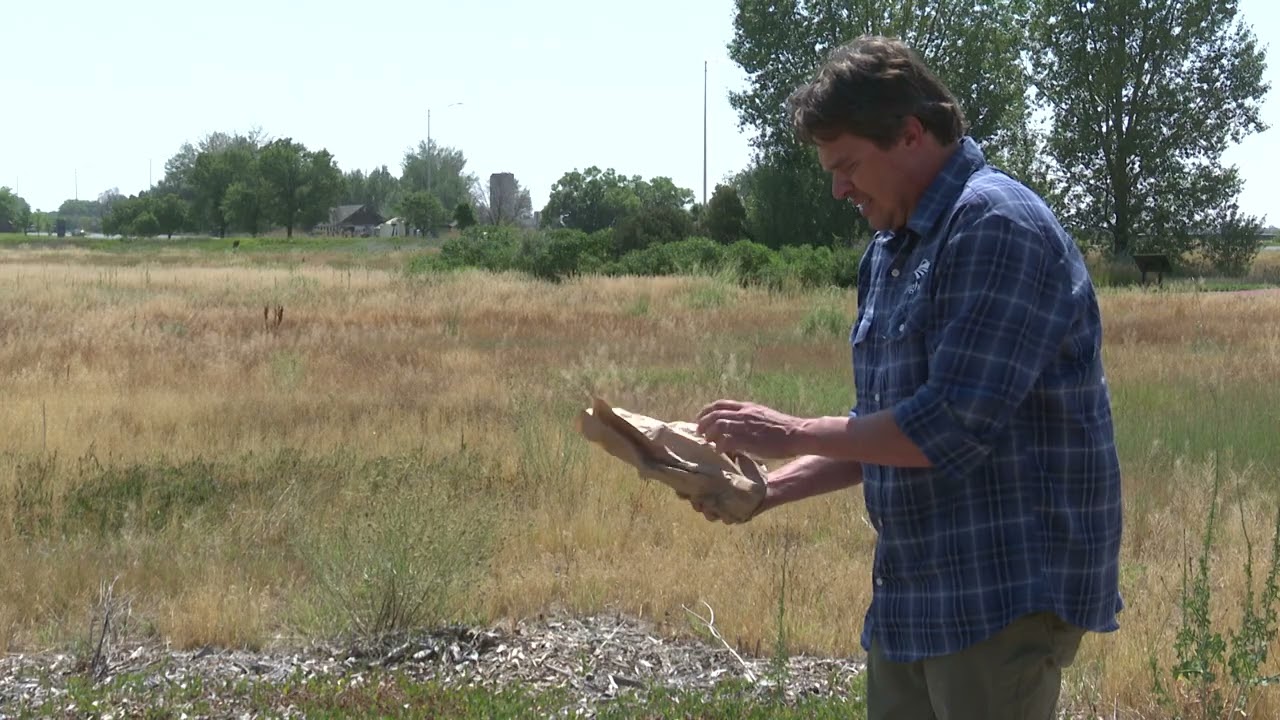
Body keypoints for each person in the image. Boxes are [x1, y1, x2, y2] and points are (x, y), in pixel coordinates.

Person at [690, 35, 1124, 720]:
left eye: (848, 165)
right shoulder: (891, 248)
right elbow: (877, 430)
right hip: (914, 592)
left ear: (911, 135)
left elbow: (942, 429)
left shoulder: (994, 225)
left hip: (998, 592)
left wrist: (788, 430)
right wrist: (766, 489)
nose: (838, 188)